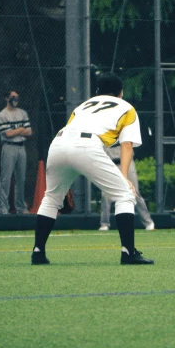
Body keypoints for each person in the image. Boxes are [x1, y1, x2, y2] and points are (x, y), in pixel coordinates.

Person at [32, 72, 154, 265]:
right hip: (87, 145)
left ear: (97, 92)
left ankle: (38, 252)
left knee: (51, 198)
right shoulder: (126, 107)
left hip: (58, 143)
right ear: (120, 93)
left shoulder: (83, 106)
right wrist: (124, 177)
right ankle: (128, 252)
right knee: (125, 195)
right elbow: (127, 145)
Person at [99, 143, 154, 231]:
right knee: (105, 195)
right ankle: (104, 224)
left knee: (134, 192)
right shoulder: (103, 131)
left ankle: (148, 222)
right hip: (110, 164)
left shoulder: (124, 129)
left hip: (127, 163)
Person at [0, 90, 32, 214]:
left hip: (21, 147)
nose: (15, 99)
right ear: (6, 98)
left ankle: (21, 207)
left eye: (17, 97)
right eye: (12, 97)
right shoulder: (2, 115)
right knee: (6, 178)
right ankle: (3, 208)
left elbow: (29, 132)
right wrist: (21, 129)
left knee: (21, 178)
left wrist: (17, 130)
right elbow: (8, 134)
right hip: (9, 147)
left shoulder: (22, 113)